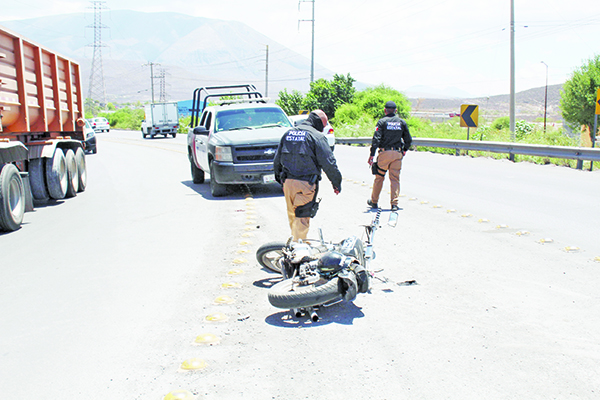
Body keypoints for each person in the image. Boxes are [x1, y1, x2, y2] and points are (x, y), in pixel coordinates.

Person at [274, 110, 342, 241]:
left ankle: (296, 243)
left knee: (293, 217)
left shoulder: (288, 134)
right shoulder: (316, 136)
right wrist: (336, 182)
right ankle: (299, 250)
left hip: (288, 183)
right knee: (302, 218)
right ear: (318, 123)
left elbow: (277, 159)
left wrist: (280, 180)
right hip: (305, 184)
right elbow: (329, 163)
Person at [367, 100, 412, 212]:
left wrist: (372, 154)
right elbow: (408, 139)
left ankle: (374, 201)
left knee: (379, 177)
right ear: (396, 111)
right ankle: (394, 204)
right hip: (397, 154)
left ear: (385, 110)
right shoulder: (401, 122)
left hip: (384, 154)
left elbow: (376, 139)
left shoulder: (382, 122)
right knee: (395, 179)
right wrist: (404, 150)